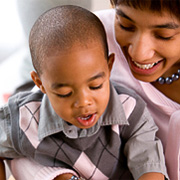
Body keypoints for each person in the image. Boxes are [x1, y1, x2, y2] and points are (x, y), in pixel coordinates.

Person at [0, 5, 168, 180]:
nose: (84, 102)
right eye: (65, 93)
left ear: (109, 67)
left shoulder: (130, 109)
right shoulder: (22, 120)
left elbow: (149, 164)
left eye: (95, 86)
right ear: (40, 83)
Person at [94, 0, 180, 179]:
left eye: (164, 35)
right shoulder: (93, 38)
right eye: (126, 25)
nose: (139, 53)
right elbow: (29, 122)